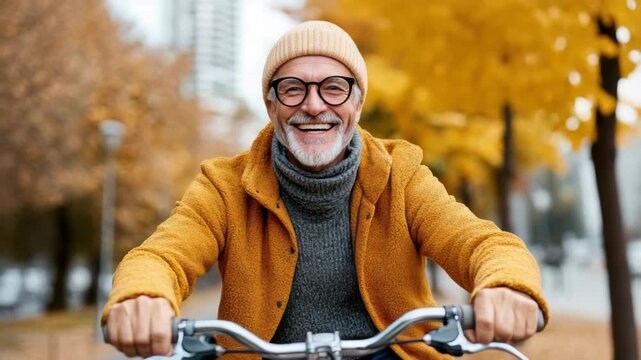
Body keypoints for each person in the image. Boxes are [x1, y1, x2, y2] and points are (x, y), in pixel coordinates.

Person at [103, 20, 548, 359]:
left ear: (357, 102)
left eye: (334, 88)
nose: (314, 105)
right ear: (271, 104)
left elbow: (480, 242)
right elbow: (160, 256)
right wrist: (144, 296)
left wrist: (506, 287)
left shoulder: (403, 175)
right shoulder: (223, 186)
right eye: (293, 89)